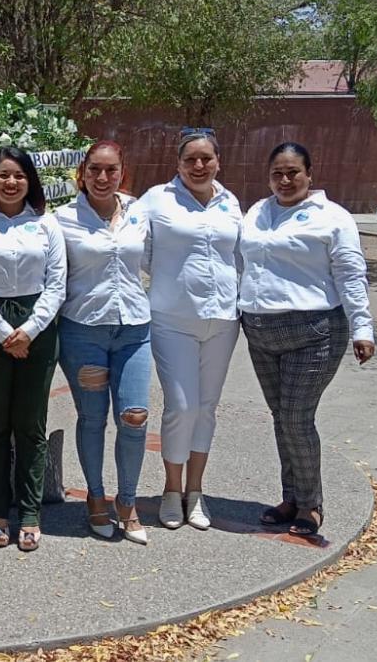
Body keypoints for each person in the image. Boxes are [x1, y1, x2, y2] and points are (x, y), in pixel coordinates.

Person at [239, 142, 376, 538]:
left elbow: (351, 274)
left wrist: (362, 328)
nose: (285, 180)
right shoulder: (257, 212)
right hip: (261, 333)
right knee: (282, 418)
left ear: (309, 174)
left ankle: (311, 504)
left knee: (297, 418)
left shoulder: (332, 218)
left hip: (314, 332)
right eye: (277, 173)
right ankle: (291, 498)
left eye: (293, 172)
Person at [0, 147, 67, 552]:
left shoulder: (46, 224)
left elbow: (57, 284)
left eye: (18, 175)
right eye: (3, 175)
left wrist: (30, 330)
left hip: (38, 325)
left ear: (29, 181)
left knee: (31, 425)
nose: (10, 182)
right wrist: (5, 331)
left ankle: (31, 511)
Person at [137, 128, 242, 532]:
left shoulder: (230, 202)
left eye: (206, 159)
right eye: (190, 159)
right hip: (172, 319)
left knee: (206, 408)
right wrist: (173, 282)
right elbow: (142, 251)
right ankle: (170, 490)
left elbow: (239, 256)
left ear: (218, 161)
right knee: (181, 405)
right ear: (177, 163)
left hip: (223, 321)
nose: (199, 166)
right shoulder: (157, 200)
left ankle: (195, 492)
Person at [55, 140, 152, 544]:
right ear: (82, 172)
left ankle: (126, 501)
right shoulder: (62, 218)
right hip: (84, 331)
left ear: (122, 172)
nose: (102, 177)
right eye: (94, 169)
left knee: (134, 415)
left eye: (110, 170)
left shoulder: (139, 211)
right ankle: (95, 499)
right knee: (93, 418)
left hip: (134, 329)